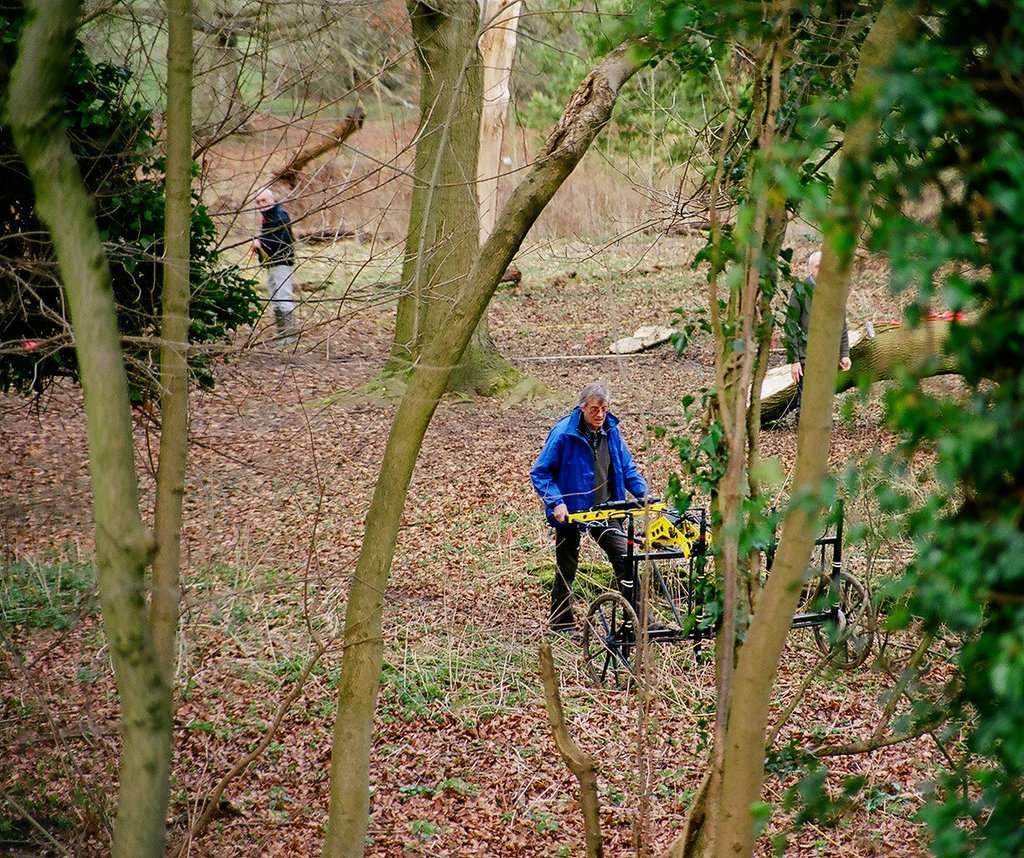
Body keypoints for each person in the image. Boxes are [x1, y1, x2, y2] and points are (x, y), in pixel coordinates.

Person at [530, 381, 649, 636]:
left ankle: (641, 621)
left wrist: (644, 494)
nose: (600, 415)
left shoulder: (611, 431)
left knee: (625, 558)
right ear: (582, 407)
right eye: (595, 409)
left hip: (605, 510)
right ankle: (561, 623)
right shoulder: (563, 433)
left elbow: (627, 468)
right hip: (572, 511)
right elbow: (541, 473)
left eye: (605, 409)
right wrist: (557, 502)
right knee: (567, 565)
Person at [783, 249, 851, 414]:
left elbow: (840, 325)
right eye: (818, 267)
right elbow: (790, 325)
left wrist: (844, 353)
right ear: (810, 268)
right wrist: (794, 360)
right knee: (806, 403)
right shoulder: (800, 290)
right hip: (806, 357)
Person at [252, 187, 298, 344]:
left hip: (282, 262)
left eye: (264, 200)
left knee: (283, 297)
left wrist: (260, 243)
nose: (261, 204)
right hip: (271, 264)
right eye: (258, 202)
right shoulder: (268, 216)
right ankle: (282, 333)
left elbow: (281, 240)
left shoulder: (280, 215)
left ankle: (289, 336)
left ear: (272, 199)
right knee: (275, 297)